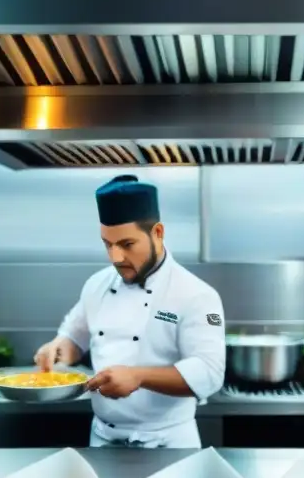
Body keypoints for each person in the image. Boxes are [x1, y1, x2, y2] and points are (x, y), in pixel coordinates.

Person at [34, 174, 226, 448]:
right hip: (102, 439)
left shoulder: (198, 295)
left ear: (157, 234)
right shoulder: (96, 285)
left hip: (168, 443)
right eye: (107, 244)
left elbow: (209, 373)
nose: (115, 258)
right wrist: (57, 349)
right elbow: (74, 338)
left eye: (127, 244)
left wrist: (138, 377)